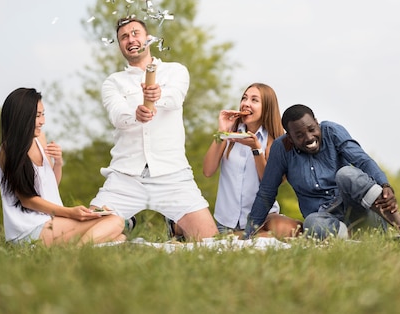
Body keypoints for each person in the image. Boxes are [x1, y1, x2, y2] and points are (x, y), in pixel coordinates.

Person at [89, 16, 218, 240]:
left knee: (210, 240)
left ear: (148, 38)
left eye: (135, 33)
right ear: (119, 44)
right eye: (124, 37)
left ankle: (176, 226)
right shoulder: (113, 82)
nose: (130, 39)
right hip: (126, 176)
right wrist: (135, 114)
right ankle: (125, 222)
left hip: (172, 174)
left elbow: (175, 98)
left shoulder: (175, 71)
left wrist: (157, 96)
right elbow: (118, 116)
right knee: (86, 234)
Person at [243, 104, 400, 240]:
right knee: (311, 223)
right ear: (290, 138)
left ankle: (398, 225)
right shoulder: (281, 148)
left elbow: (362, 160)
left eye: (312, 129)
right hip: (328, 223)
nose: (309, 137)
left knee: (347, 174)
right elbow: (266, 192)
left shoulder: (332, 131)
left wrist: (384, 184)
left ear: (317, 123)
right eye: (299, 135)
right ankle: (355, 240)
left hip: (362, 213)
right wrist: (248, 233)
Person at [0, 87, 126, 247]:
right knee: (115, 222)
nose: (42, 121)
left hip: (49, 221)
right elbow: (27, 200)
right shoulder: (8, 151)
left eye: (43, 114)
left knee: (118, 237)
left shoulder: (40, 139)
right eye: (37, 116)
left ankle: (75, 251)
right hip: (29, 229)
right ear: (22, 117)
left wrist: (58, 162)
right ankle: (74, 255)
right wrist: (71, 212)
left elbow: (51, 186)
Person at [203, 83, 302, 238]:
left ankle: (248, 237)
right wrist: (222, 131)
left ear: (267, 108)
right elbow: (208, 171)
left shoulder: (275, 141)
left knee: (287, 229)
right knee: (253, 241)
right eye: (244, 98)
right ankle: (243, 237)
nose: (246, 103)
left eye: (254, 100)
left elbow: (269, 183)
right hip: (227, 222)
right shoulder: (230, 135)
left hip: (263, 219)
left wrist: (256, 150)